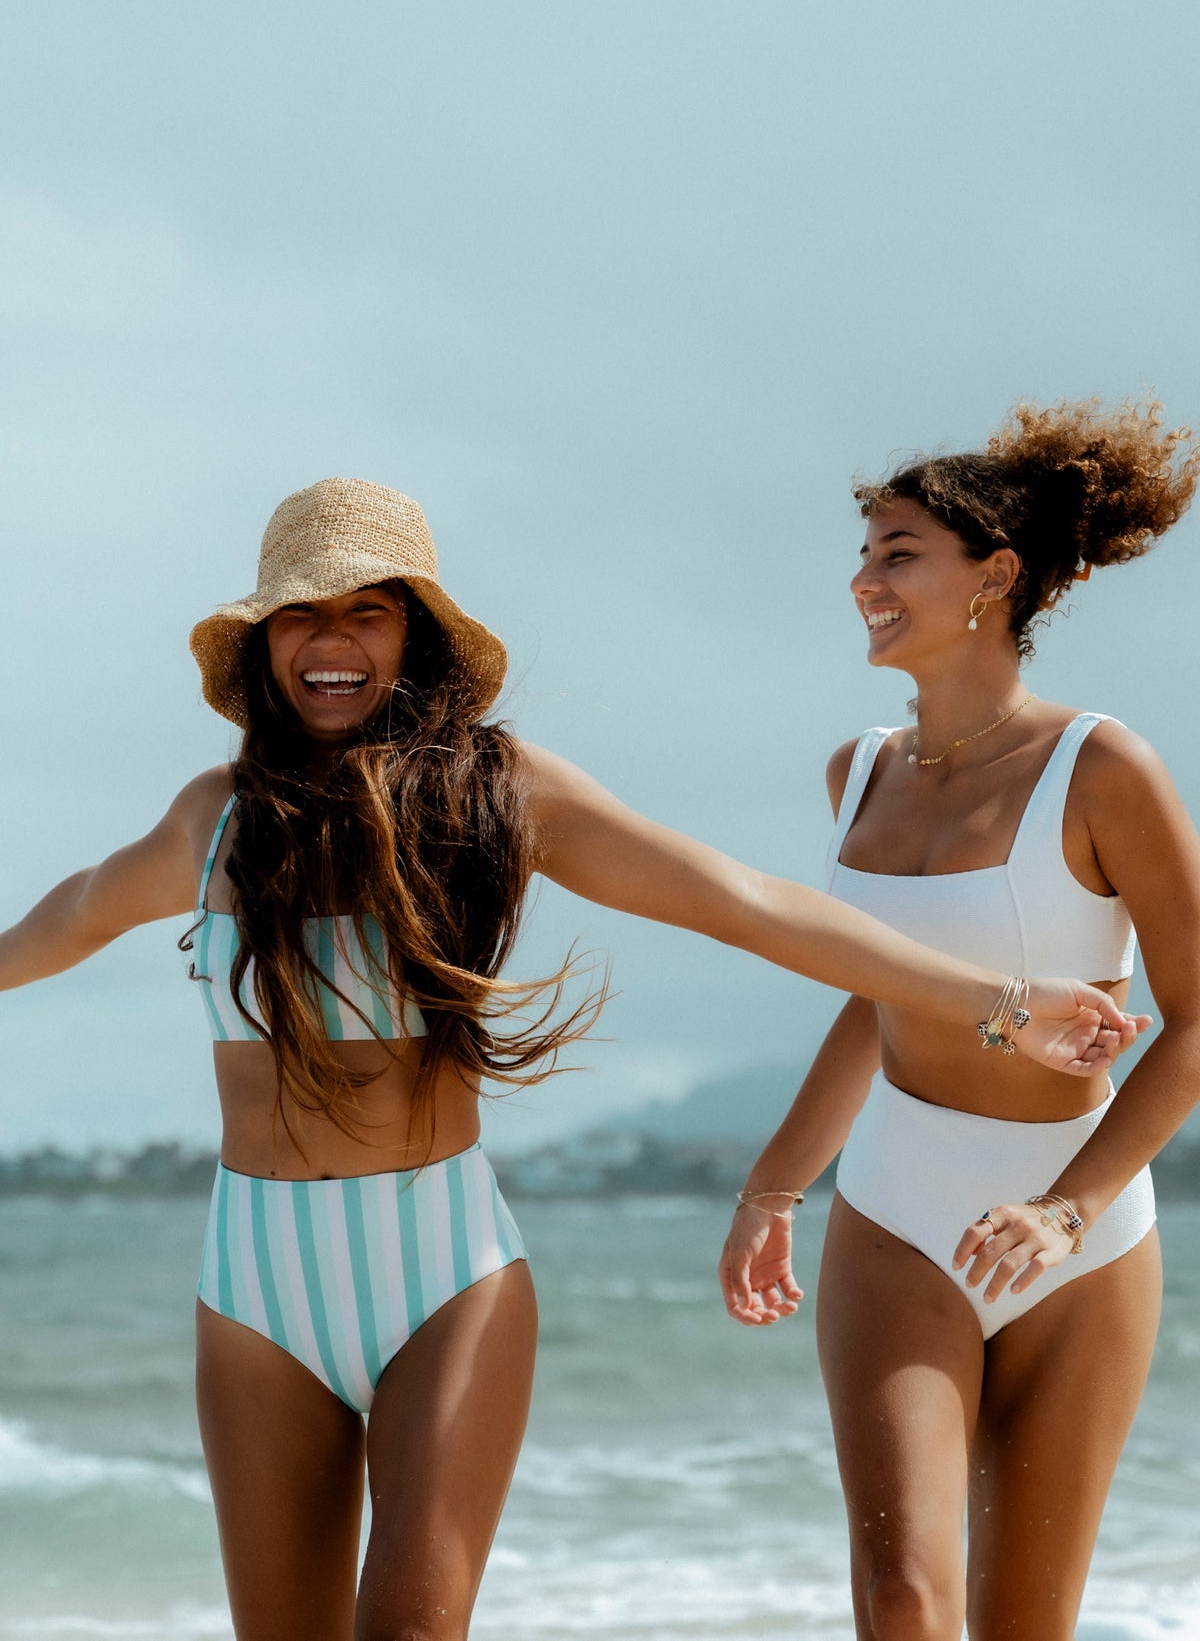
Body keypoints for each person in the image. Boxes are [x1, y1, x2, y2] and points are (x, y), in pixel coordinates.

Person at [0, 476, 1144, 1641]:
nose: (331, 640)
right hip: (252, 1277)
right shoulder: (216, 821)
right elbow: (64, 919)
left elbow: (745, 903)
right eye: (300, 614)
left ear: (419, 637)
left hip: (440, 1267)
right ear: (263, 646)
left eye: (369, 611)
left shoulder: (495, 791)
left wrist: (1000, 1001)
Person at [719, 399, 1200, 1641]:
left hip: (1076, 1235)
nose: (863, 580)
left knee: (1024, 1620)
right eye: (867, 553)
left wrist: (1064, 1210)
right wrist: (774, 1186)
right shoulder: (857, 771)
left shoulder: (1102, 769)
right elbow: (874, 993)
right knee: (900, 1599)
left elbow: (1196, 1021)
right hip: (894, 1207)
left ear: (994, 575)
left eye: (897, 552)